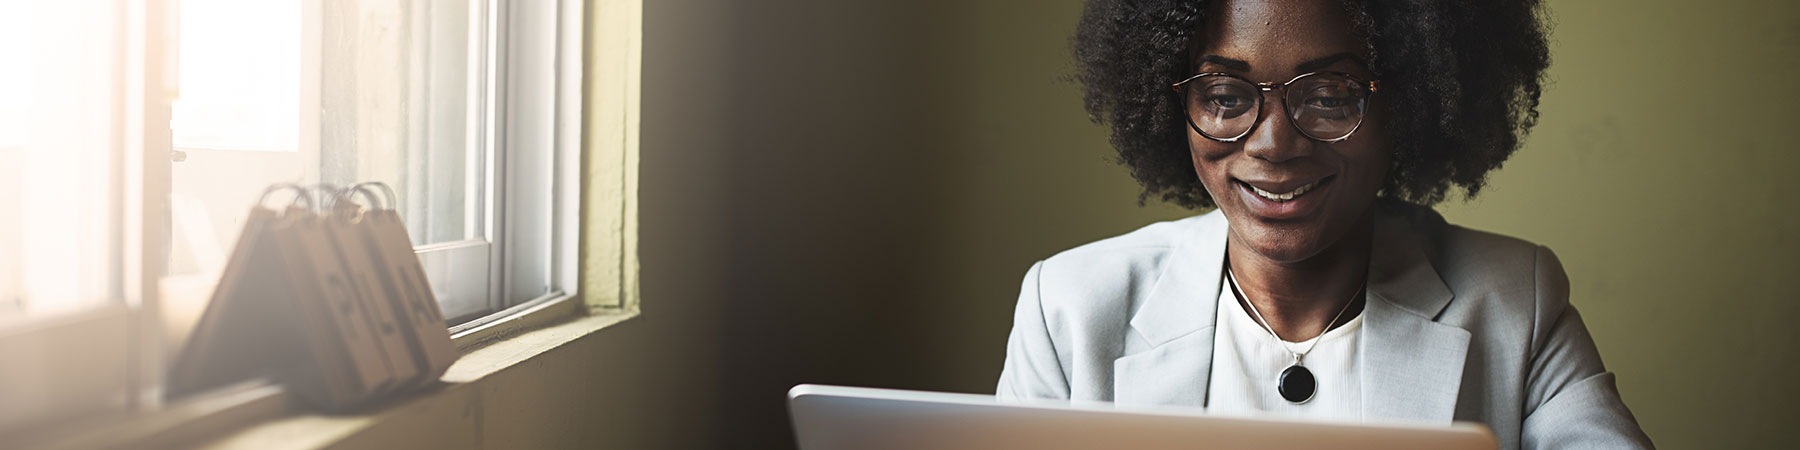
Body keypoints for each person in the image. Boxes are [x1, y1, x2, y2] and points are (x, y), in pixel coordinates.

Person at [994, 0, 1653, 448]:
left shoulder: (1514, 301)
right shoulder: (1070, 309)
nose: (1274, 144)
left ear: (1410, 99)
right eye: (1225, 96)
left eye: (1331, 94)